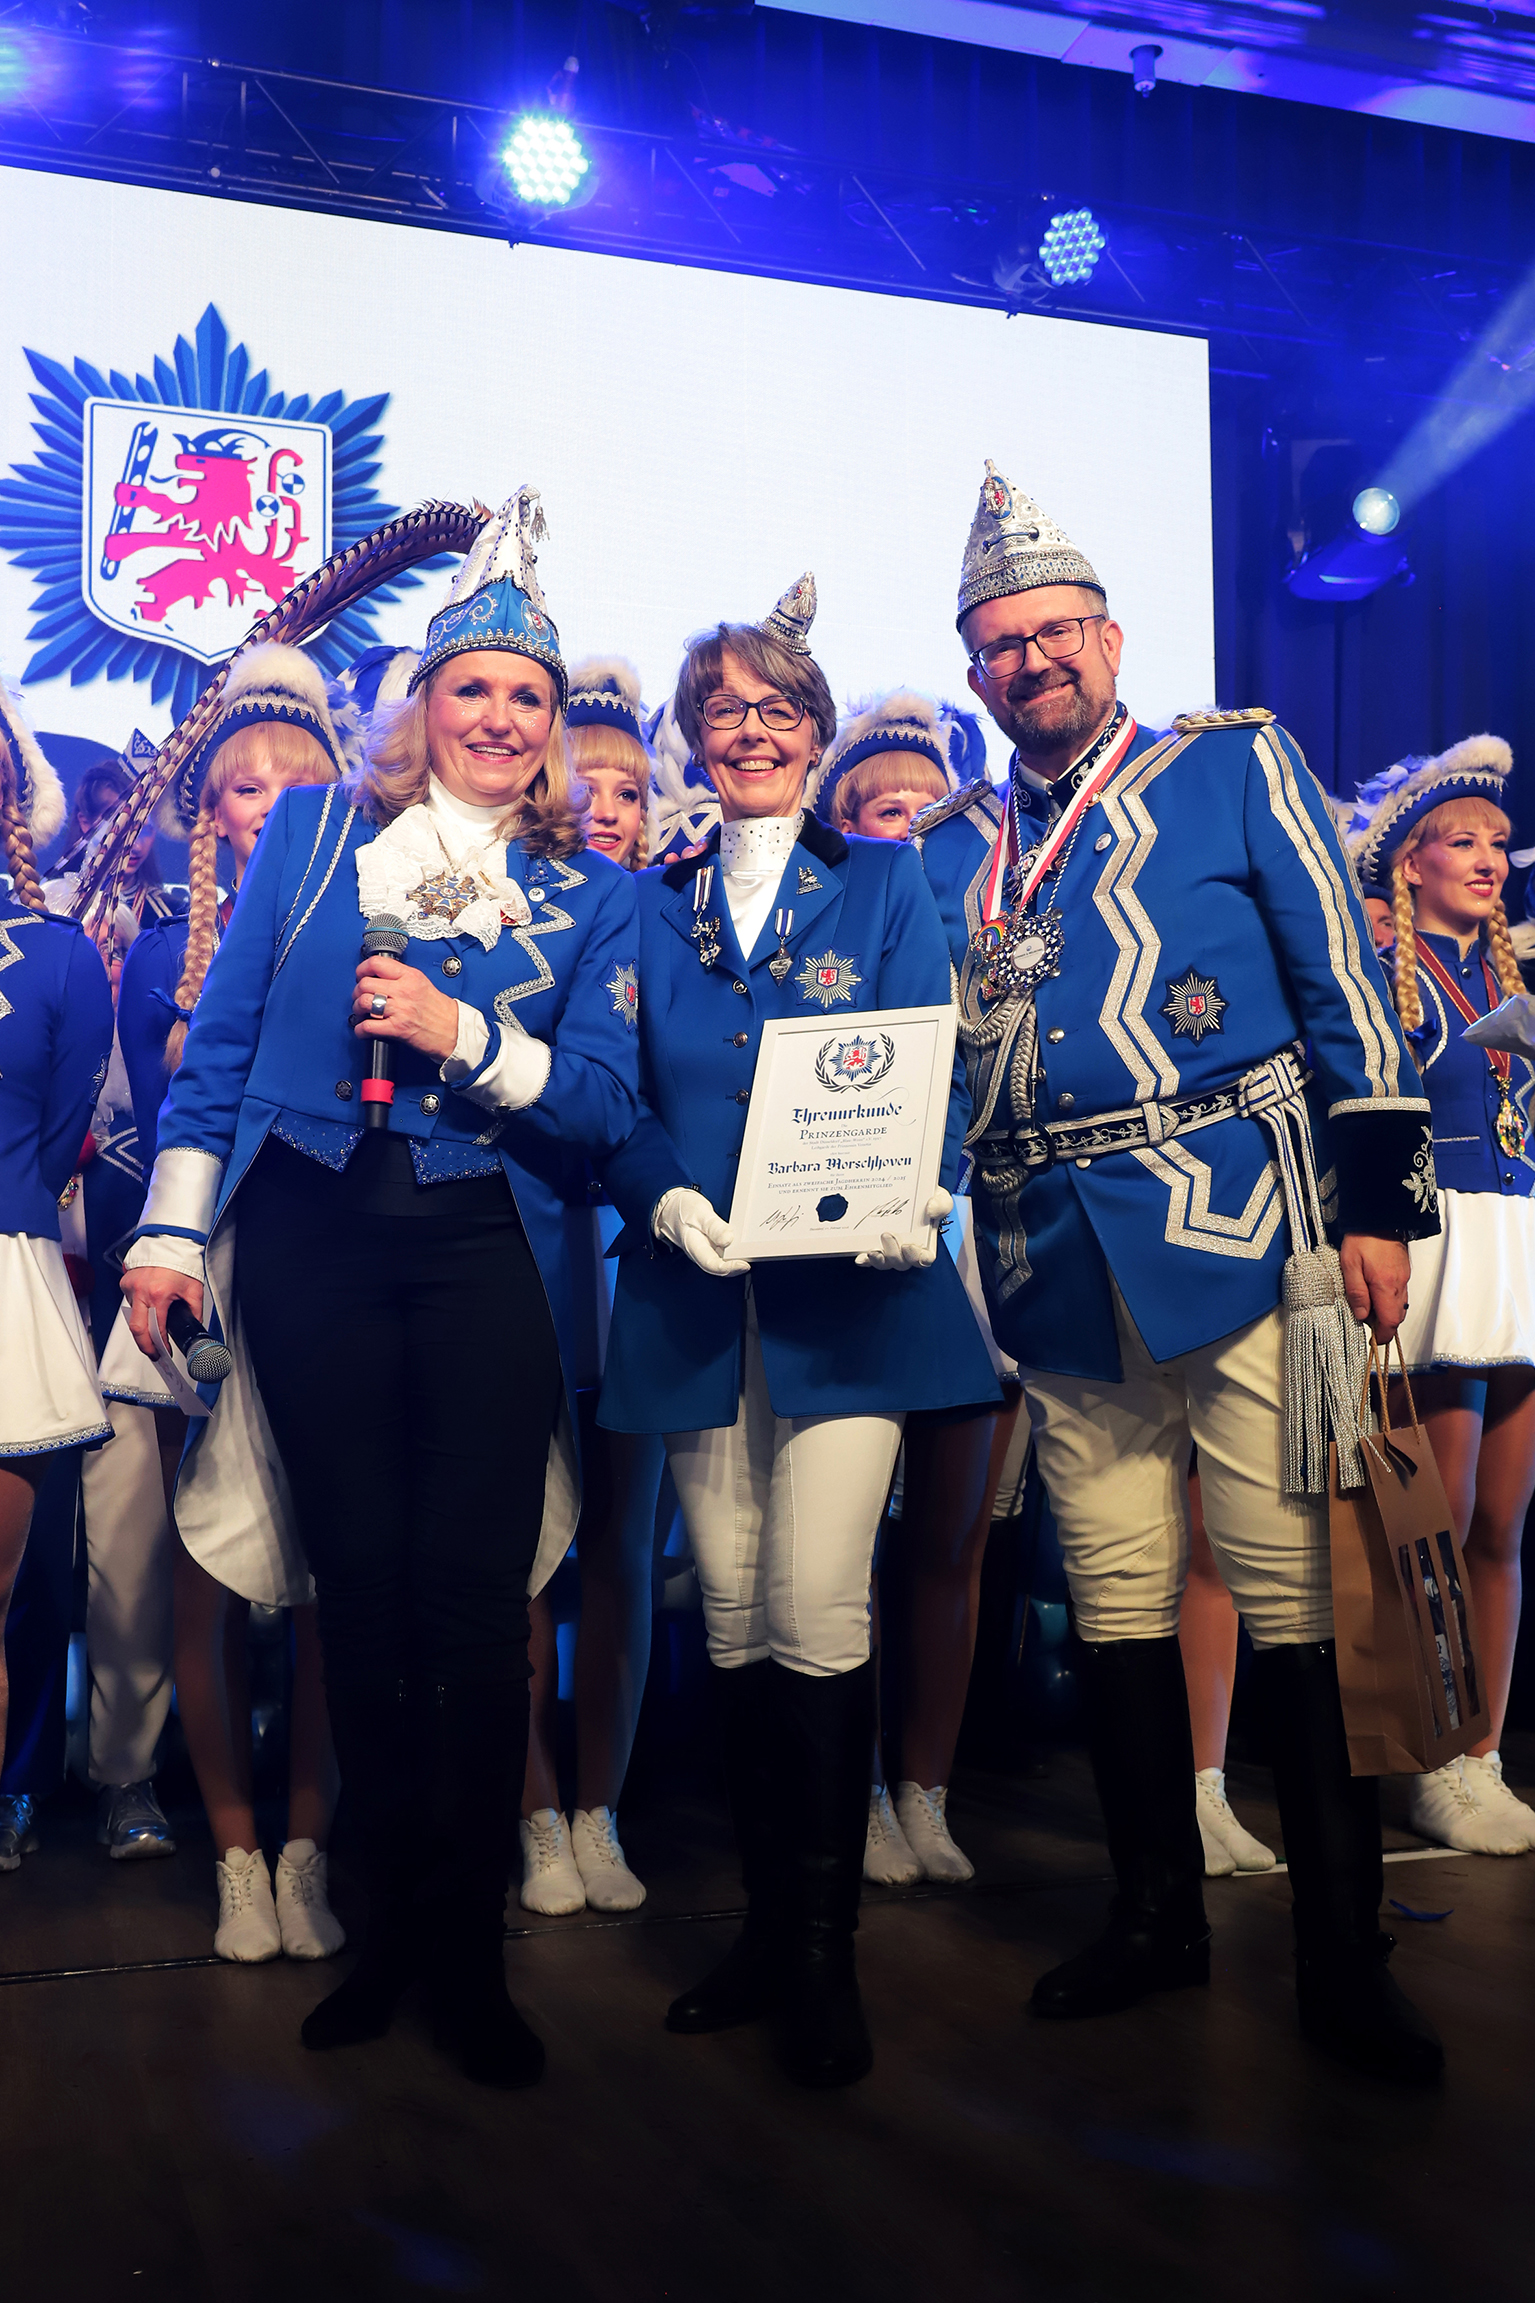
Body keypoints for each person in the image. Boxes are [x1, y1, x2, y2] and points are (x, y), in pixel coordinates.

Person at [913, 463, 1445, 2083]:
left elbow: (1345, 977)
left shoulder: (1234, 764)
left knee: (1293, 1594)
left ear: (1112, 636)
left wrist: (1381, 1207)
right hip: (1053, 1257)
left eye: (1058, 632)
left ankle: (1346, 1958)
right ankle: (1157, 1915)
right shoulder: (963, 844)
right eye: (1001, 645)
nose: (1034, 662)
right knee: (1123, 1595)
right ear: (974, 670)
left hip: (1258, 1231)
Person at [118, 489, 639, 2089]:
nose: (497, 716)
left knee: (478, 1609)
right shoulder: (314, 831)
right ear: (421, 701)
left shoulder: (593, 890)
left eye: (527, 698)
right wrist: (166, 1232)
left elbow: (607, 1104)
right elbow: (213, 1057)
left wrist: (457, 1031)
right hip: (310, 1236)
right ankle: (384, 1924)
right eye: (471, 686)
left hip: (489, 1246)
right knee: (359, 1592)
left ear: (552, 732)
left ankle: (466, 1949)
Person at [597, 578, 1000, 2088]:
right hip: (700, 1289)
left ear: (816, 731)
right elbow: (614, 1090)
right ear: (691, 739)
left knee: (822, 1598)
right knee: (734, 1610)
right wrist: (656, 1196)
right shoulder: (646, 898)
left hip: (852, 1295)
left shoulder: (888, 879)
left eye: (776, 709)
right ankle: (767, 1930)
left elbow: (931, 1057)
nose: (750, 731)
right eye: (723, 711)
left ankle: (824, 1956)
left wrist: (924, 1188)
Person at [106, 646, 350, 1949]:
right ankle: (237, 1856)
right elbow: (154, 1131)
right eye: (240, 788)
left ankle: (307, 1847)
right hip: (194, 1279)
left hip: (328, 1277)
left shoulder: (370, 937)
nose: (265, 803)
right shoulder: (155, 959)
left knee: (319, 1574)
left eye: (293, 782)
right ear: (212, 816)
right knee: (202, 1571)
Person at [815, 690, 1026, 1886]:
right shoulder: (813, 933)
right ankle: (843, 1798)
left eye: (924, 804)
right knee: (836, 1550)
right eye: (876, 804)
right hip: (844, 1238)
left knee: (949, 1544)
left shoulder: (1006, 933)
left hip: (976, 1244)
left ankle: (925, 1793)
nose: (905, 820)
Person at [1347, 738, 1535, 1856]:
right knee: (1438, 1519)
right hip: (1437, 1240)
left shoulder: (1512, 970)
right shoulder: (1384, 972)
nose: (1486, 858)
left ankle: (1481, 1752)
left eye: (1497, 841)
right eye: (1458, 841)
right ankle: (1427, 1752)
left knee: (1504, 1524)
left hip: (1517, 1238)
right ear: (1405, 861)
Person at [519, 657, 667, 1917]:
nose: (606, 798)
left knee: (619, 1549)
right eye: (587, 773)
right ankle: (529, 1816)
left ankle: (599, 1807)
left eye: (629, 780)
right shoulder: (516, 906)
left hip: (648, 1263)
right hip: (528, 1250)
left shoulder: (677, 915)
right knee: (521, 1551)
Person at [0, 680, 114, 1868]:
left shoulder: (61, 954)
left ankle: (15, 1781)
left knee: (10, 1592)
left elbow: (54, 1138)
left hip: (5, 1274)